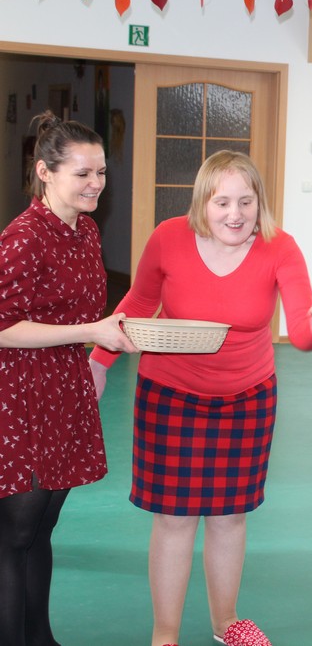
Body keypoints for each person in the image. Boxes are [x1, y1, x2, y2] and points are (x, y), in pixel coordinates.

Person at [89, 151, 312, 646]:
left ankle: (227, 624)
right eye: (222, 201)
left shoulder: (279, 247)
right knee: (174, 518)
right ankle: (165, 634)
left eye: (246, 201)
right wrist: (99, 362)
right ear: (202, 202)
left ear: (259, 203)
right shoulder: (169, 237)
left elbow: (302, 332)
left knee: (229, 516)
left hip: (248, 397)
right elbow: (139, 302)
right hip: (170, 394)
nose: (235, 213)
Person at [0, 111, 137, 646]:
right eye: (82, 173)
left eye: (101, 172)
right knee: (15, 534)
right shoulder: (23, 237)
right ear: (45, 172)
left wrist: (108, 332)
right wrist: (89, 331)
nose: (96, 183)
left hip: (62, 388)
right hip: (20, 394)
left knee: (42, 528)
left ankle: (41, 638)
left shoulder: (85, 231)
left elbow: (75, 311)